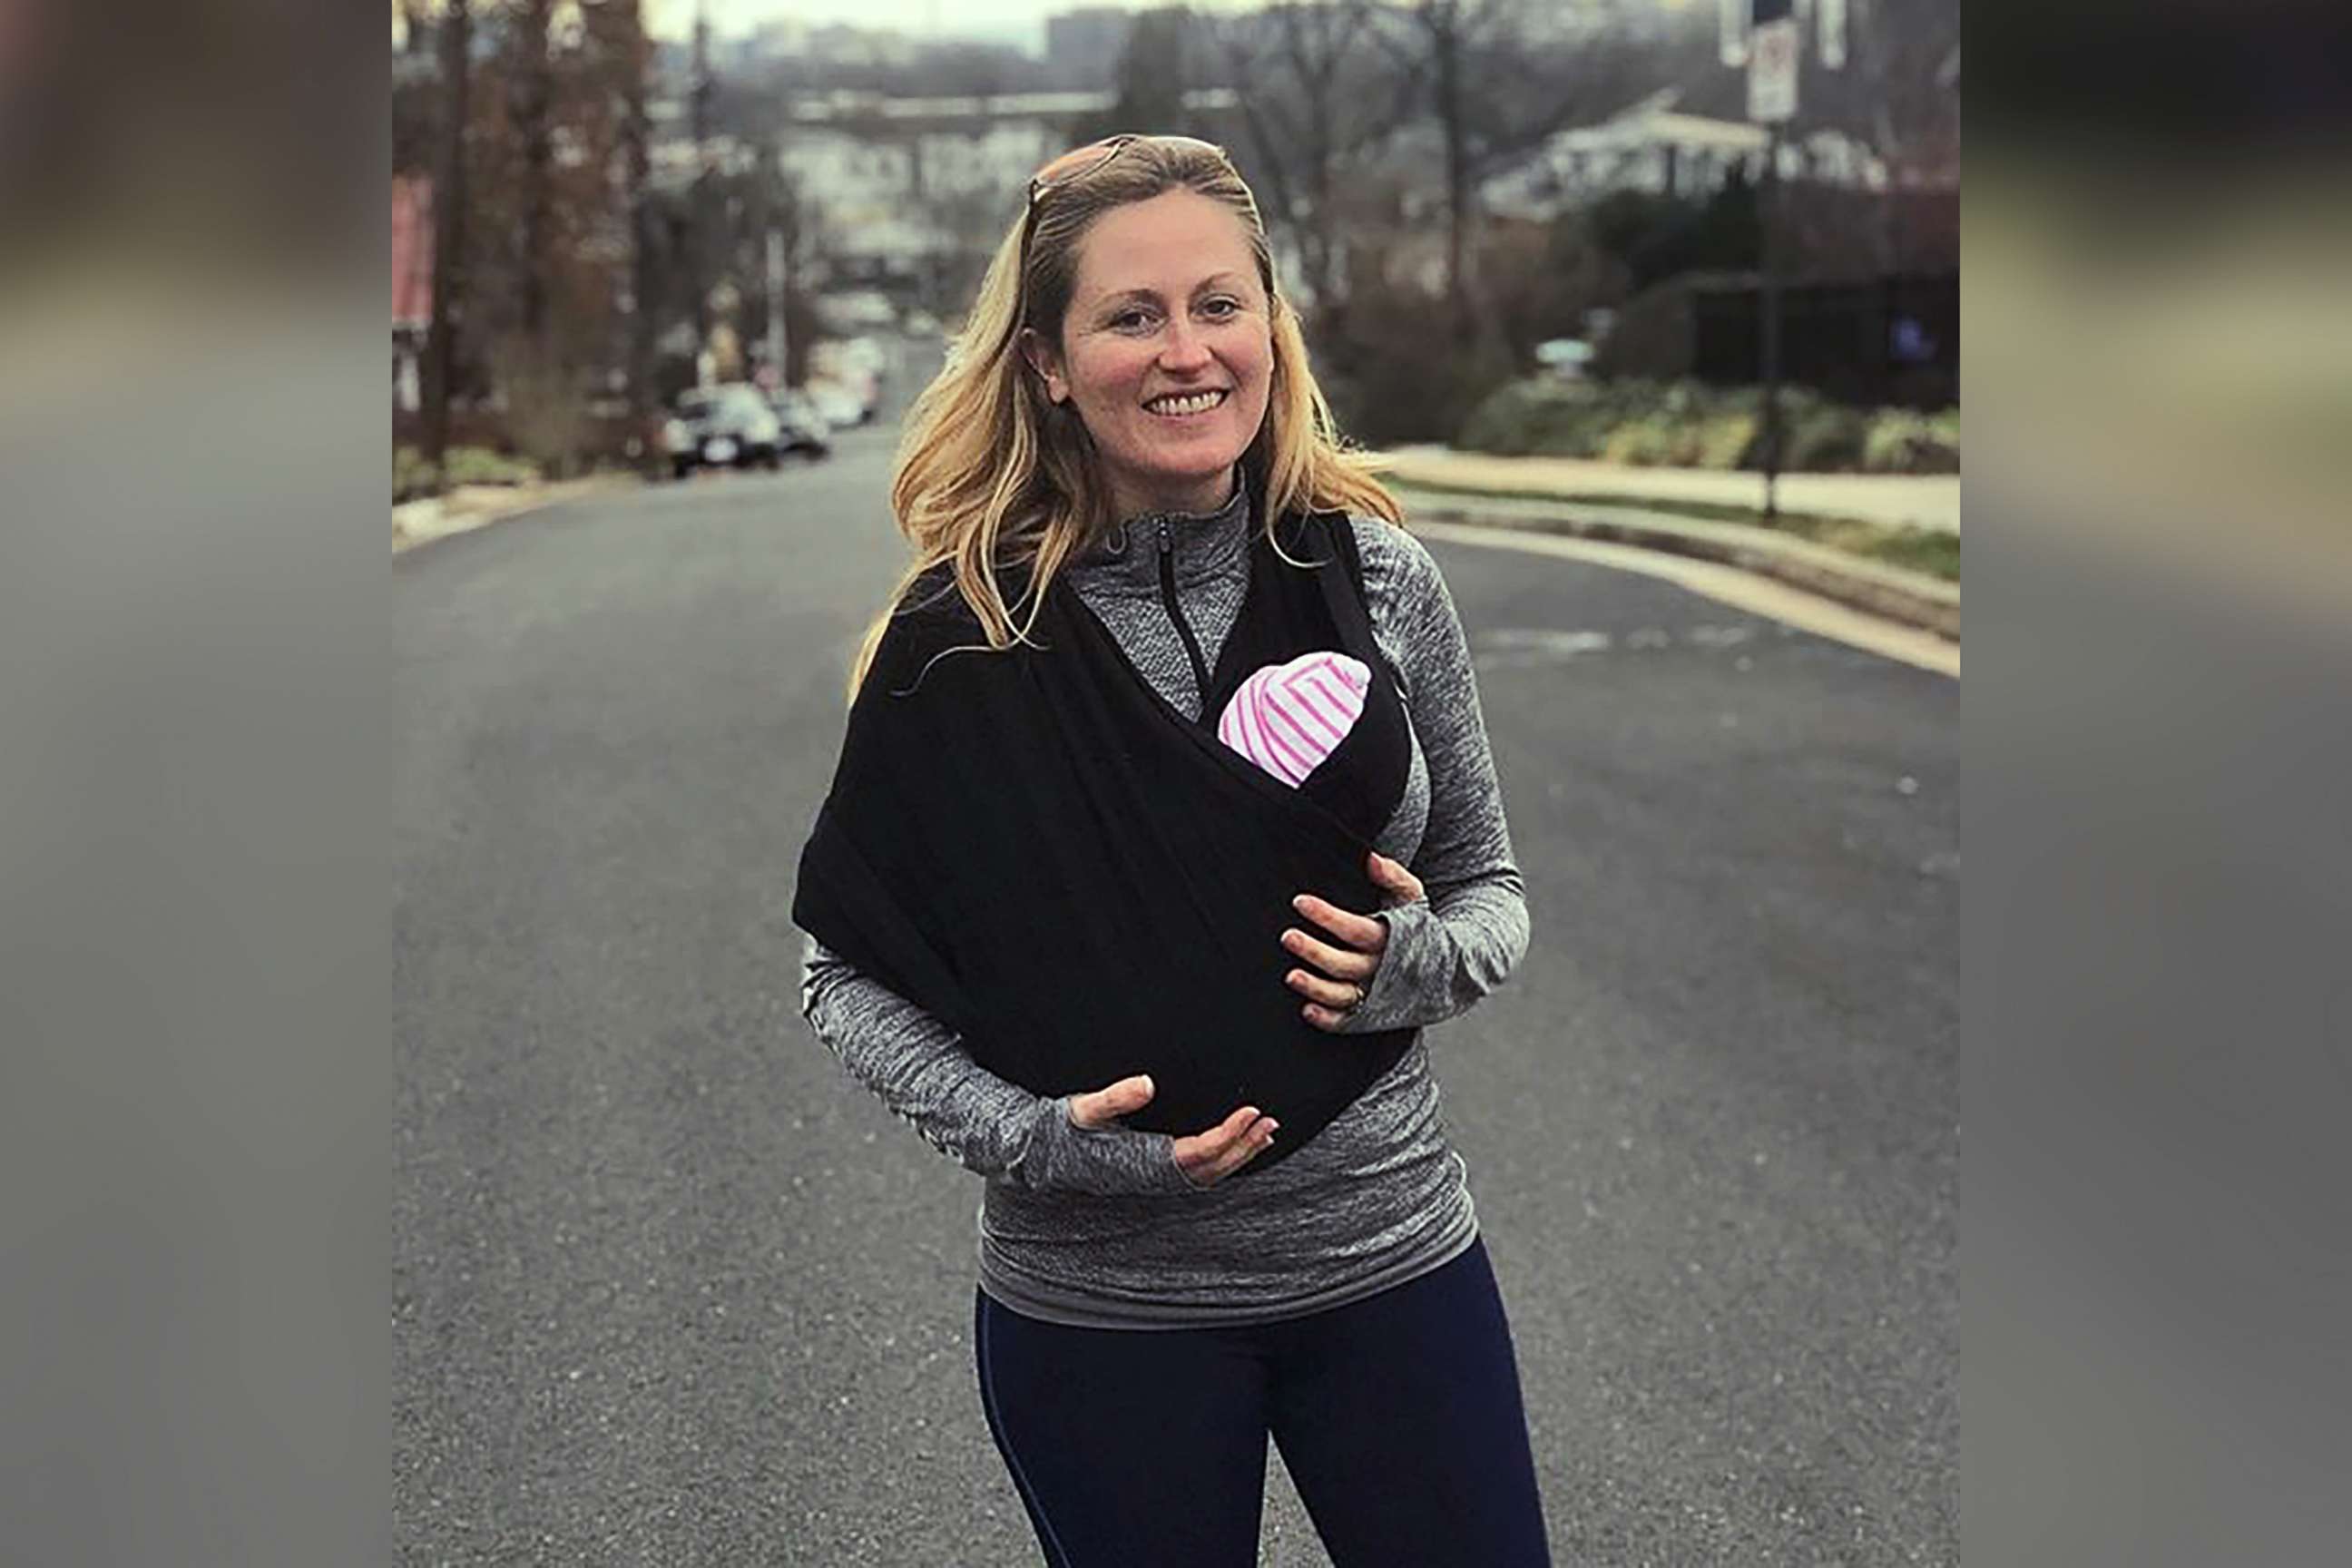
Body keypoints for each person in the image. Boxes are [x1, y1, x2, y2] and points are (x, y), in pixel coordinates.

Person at [794, 134, 1547, 1566]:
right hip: (1102, 1309)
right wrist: (1034, 1142)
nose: (1186, 351)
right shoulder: (960, 643)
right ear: (1047, 364)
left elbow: (1489, 889)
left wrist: (1418, 964)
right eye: (1131, 316)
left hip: (1388, 1258)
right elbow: (846, 975)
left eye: (1221, 304)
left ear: (1273, 328)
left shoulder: (1378, 578)